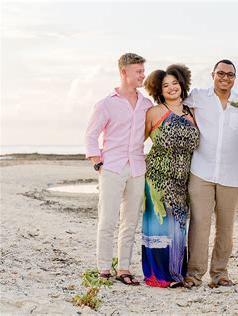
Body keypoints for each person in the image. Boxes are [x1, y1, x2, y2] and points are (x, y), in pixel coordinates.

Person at [85, 53, 153, 286]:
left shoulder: (146, 104)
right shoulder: (106, 104)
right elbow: (91, 135)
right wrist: (97, 162)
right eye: (138, 71)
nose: (142, 75)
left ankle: (124, 268)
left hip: (137, 168)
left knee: (130, 221)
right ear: (124, 72)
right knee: (107, 219)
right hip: (112, 167)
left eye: (143, 71)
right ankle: (104, 267)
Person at [183, 59, 238, 288]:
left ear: (234, 78)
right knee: (199, 224)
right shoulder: (198, 97)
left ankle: (220, 273)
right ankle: (193, 274)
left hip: (232, 173)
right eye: (221, 73)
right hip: (201, 170)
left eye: (230, 74)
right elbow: (173, 101)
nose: (225, 78)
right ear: (213, 75)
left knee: (226, 227)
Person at [141, 64, 199, 288]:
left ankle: (177, 273)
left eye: (175, 83)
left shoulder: (192, 112)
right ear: (159, 90)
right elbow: (137, 142)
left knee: (179, 225)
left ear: (182, 84)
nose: (172, 88)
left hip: (183, 178)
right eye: (166, 85)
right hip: (158, 176)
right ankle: (159, 276)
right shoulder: (155, 112)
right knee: (160, 224)